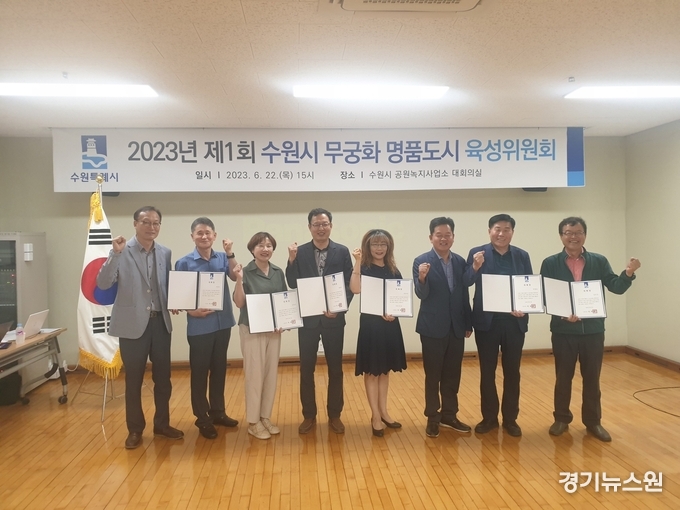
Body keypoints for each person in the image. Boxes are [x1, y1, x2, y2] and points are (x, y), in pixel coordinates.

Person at [540, 217, 641, 442]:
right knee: (563, 377)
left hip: (593, 331)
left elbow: (616, 287)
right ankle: (561, 419)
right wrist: (562, 312)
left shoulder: (599, 261)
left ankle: (593, 422)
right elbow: (546, 294)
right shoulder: (550, 263)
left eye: (578, 232)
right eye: (568, 233)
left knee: (592, 378)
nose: (573, 237)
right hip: (563, 330)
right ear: (561, 236)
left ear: (585, 235)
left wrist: (628, 273)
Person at [97, 206, 183, 449]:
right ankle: (135, 429)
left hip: (160, 323)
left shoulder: (165, 252)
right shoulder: (121, 250)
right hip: (132, 325)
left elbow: (165, 285)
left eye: (156, 223)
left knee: (163, 379)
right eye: (146, 222)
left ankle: (162, 424)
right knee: (133, 380)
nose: (151, 227)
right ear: (135, 224)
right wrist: (115, 254)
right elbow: (103, 283)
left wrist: (175, 301)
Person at [285, 208, 353, 434]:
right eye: (316, 224)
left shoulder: (342, 251)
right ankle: (309, 415)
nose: (321, 228)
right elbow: (292, 282)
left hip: (334, 320)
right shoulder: (300, 252)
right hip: (308, 320)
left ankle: (335, 415)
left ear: (330, 226)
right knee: (306, 369)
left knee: (336, 369)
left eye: (325, 224)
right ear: (309, 227)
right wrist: (291, 260)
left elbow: (349, 284)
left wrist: (339, 307)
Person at [464, 214, 533, 437]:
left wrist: (524, 307)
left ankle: (511, 419)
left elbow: (528, 287)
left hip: (514, 323)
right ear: (489, 231)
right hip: (487, 323)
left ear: (512, 232)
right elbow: (465, 282)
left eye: (506, 229)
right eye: (497, 229)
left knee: (513, 372)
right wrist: (475, 267)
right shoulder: (478, 253)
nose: (501, 233)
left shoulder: (522, 255)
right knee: (487, 372)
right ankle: (489, 418)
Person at [174, 217, 239, 440]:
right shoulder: (184, 263)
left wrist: (230, 253)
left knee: (219, 370)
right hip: (200, 327)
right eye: (199, 233)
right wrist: (191, 311)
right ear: (192, 236)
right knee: (200, 373)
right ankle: (202, 418)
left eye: (208, 233)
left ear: (214, 236)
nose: (204, 236)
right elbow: (178, 296)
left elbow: (235, 276)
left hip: (223, 323)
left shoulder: (222, 257)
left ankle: (218, 412)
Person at [413, 217, 473, 439]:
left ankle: (450, 415)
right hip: (432, 328)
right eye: (439, 235)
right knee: (433, 375)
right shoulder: (421, 261)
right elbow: (422, 294)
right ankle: (432, 417)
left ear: (453, 237)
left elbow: (464, 293)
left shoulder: (460, 261)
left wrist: (468, 322)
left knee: (452, 374)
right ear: (431, 237)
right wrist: (422, 278)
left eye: (448, 235)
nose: (443, 239)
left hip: (456, 327)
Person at [350, 229, 407, 437]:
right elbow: (355, 289)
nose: (379, 248)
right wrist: (357, 262)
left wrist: (395, 312)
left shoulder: (393, 269)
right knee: (372, 371)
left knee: (384, 371)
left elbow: (399, 297)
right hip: (371, 326)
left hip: (390, 325)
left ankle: (384, 412)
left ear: (389, 247)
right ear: (368, 246)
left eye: (383, 244)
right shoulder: (363, 267)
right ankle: (375, 416)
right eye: (375, 244)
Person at [232, 232, 287, 440]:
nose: (265, 249)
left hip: (273, 331)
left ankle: (265, 417)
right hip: (252, 330)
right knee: (255, 376)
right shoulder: (245, 271)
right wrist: (239, 280)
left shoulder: (278, 272)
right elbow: (239, 302)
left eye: (269, 245)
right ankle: (253, 422)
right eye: (260, 245)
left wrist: (283, 322)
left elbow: (283, 300)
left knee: (270, 375)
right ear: (252, 249)